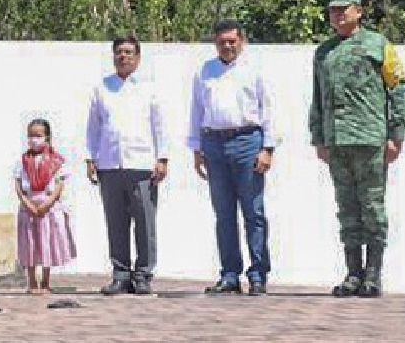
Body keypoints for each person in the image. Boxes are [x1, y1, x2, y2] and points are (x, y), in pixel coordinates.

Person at [312, 0, 405, 298]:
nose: (338, 15)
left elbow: (399, 88)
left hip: (370, 139)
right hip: (337, 141)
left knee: (372, 207)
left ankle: (373, 274)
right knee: (347, 209)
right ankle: (353, 273)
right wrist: (319, 137)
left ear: (359, 12)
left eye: (344, 9)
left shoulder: (378, 44)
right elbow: (317, 98)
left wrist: (396, 134)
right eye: (333, 10)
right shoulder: (324, 52)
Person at [187, 19, 280, 296]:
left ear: (242, 41)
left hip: (247, 142)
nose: (227, 46)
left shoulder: (255, 70)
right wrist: (196, 148)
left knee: (254, 212)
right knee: (224, 214)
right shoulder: (205, 71)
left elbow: (270, 110)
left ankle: (258, 274)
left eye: (232, 41)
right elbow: (196, 110)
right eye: (222, 42)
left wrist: (268, 148)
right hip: (214, 144)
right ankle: (229, 274)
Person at [84, 36, 168, 296]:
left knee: (145, 223)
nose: (123, 56)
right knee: (116, 223)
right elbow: (93, 127)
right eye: (119, 52)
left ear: (138, 57)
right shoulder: (102, 88)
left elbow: (160, 125)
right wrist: (90, 158)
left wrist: (162, 158)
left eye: (129, 52)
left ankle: (143, 274)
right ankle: (120, 274)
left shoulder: (149, 88)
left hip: (142, 164)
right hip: (109, 164)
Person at [13, 118, 75, 294]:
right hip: (28, 208)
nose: (34, 139)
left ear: (47, 137)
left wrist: (47, 204)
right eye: (31, 135)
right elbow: (18, 186)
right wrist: (27, 203)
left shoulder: (56, 161)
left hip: (48, 208)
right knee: (30, 244)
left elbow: (59, 185)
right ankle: (32, 282)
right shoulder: (23, 161)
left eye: (38, 135)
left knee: (48, 243)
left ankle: (45, 281)